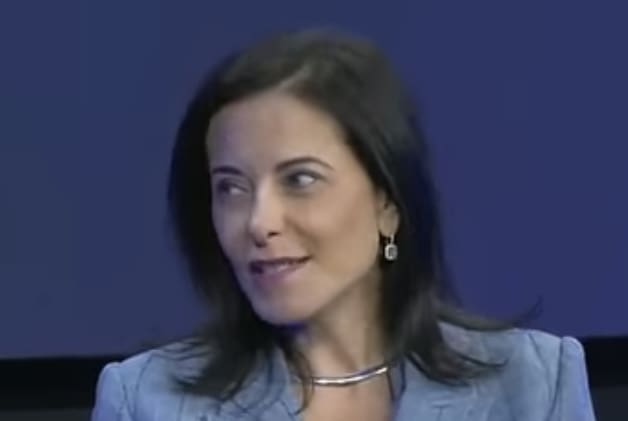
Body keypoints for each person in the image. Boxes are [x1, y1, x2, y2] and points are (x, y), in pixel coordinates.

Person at [91, 28, 596, 420]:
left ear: (387, 203)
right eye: (231, 187)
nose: (258, 222)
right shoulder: (147, 400)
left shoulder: (533, 384)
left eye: (300, 179)